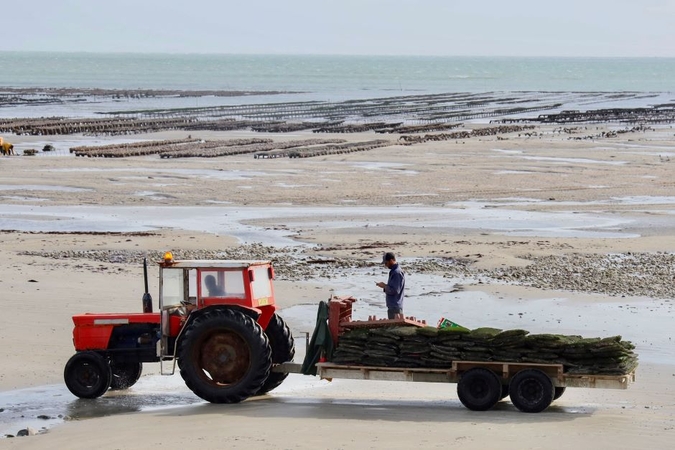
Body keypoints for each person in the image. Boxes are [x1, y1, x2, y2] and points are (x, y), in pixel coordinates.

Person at [376, 252, 405, 320]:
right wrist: (385, 286)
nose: (386, 265)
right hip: (394, 306)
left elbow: (395, 290)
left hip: (395, 306)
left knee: (395, 328)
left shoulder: (397, 273)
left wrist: (384, 286)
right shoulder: (394, 271)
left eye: (386, 263)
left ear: (391, 260)